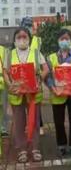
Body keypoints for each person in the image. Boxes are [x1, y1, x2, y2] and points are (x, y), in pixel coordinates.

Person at [3, 27, 49, 163]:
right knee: (18, 123)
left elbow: (45, 68)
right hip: (17, 94)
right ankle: (22, 150)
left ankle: (35, 148)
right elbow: (5, 71)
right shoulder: (10, 54)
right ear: (15, 40)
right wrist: (9, 84)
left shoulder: (36, 53)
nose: (22, 40)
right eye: (19, 37)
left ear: (29, 39)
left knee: (34, 122)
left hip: (33, 94)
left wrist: (39, 77)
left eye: (25, 37)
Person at [46, 29, 71, 157]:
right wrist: (52, 88)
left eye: (67, 38)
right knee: (58, 121)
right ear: (58, 41)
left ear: (70, 40)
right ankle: (61, 145)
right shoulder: (51, 57)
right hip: (58, 94)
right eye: (62, 38)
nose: (65, 41)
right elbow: (48, 77)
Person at [0, 43, 10, 137]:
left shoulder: (3, 50)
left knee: (3, 106)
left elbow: (6, 68)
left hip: (2, 82)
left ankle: (3, 128)